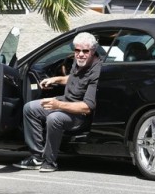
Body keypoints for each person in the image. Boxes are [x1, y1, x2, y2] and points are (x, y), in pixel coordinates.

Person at [13, 32, 101, 172]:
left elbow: (87, 107)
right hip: (65, 102)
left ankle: (50, 162)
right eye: (77, 50)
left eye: (85, 51)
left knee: (54, 118)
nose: (80, 54)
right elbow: (74, 79)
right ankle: (37, 157)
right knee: (30, 108)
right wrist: (57, 79)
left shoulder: (97, 71)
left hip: (78, 114)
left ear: (93, 51)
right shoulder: (78, 62)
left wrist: (58, 105)